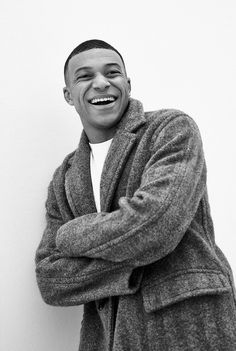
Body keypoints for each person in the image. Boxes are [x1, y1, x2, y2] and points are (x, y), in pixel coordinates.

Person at [35, 39, 236, 351]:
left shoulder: (170, 129)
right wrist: (142, 258)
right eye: (85, 76)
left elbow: (156, 226)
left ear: (127, 83)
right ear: (68, 95)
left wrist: (69, 235)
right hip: (110, 338)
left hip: (188, 325)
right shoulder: (65, 177)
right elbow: (51, 280)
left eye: (112, 73)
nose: (101, 83)